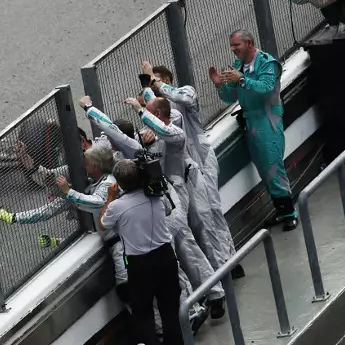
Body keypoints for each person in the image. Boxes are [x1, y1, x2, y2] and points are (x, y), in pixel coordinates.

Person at [0, 127, 210, 342]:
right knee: (151, 286)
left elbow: (98, 206)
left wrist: (69, 193)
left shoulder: (108, 184)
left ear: (95, 166)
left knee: (146, 287)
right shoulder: (90, 179)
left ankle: (179, 320)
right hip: (134, 242)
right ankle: (172, 325)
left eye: (86, 163)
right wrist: (18, 214)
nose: (82, 164)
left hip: (130, 244)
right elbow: (48, 183)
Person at [120, 94, 229, 320]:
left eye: (150, 113)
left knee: (186, 242)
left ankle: (213, 293)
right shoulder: (149, 134)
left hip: (176, 193)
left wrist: (140, 109)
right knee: (181, 247)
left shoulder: (175, 126)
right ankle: (208, 295)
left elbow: (166, 127)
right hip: (163, 196)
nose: (145, 120)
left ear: (157, 115)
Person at [139, 62, 241, 280]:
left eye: (156, 79)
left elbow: (179, 105)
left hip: (202, 161)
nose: (153, 84)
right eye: (150, 81)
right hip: (183, 170)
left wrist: (154, 84)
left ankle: (230, 261)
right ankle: (218, 267)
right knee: (196, 223)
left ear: (166, 80)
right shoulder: (156, 111)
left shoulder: (185, 93)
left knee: (211, 212)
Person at [98, 159, 184, 345]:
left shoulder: (117, 206)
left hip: (139, 263)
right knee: (169, 309)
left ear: (119, 182)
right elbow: (167, 210)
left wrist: (109, 198)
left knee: (142, 311)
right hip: (165, 256)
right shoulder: (155, 195)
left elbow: (103, 224)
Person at [210, 30, 299, 232]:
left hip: (268, 120)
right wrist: (219, 86)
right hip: (251, 122)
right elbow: (231, 97)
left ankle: (289, 212)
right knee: (263, 169)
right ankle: (281, 211)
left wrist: (241, 79)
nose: (233, 50)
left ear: (249, 43)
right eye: (231, 46)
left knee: (273, 166)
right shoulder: (237, 67)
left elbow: (266, 88)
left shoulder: (267, 63)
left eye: (236, 46)